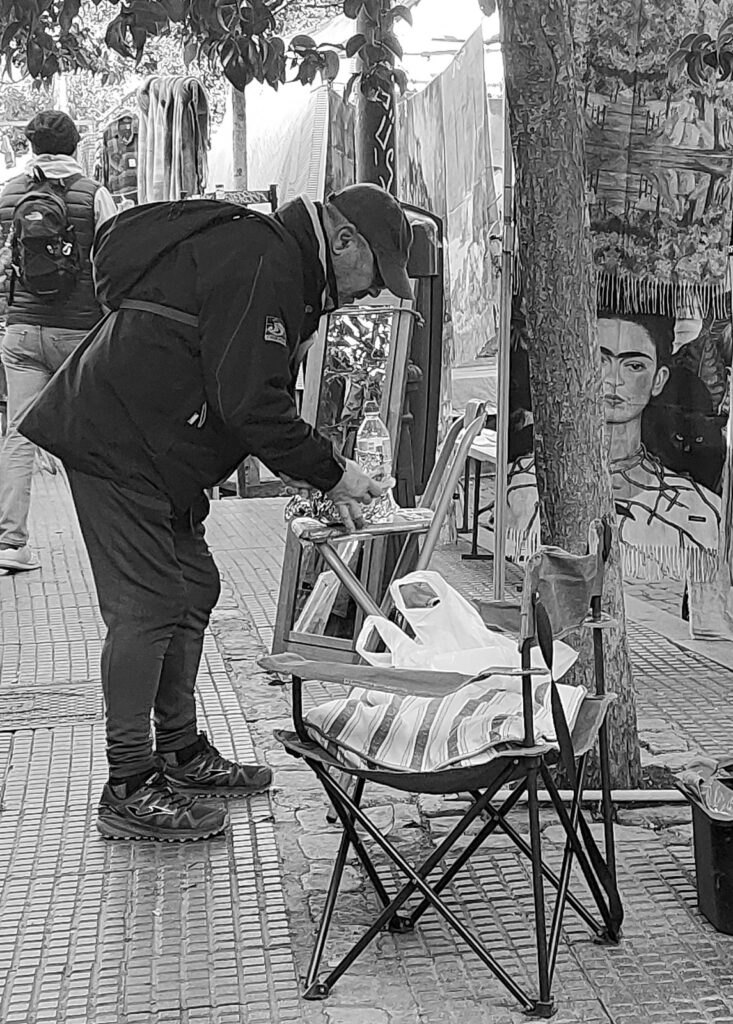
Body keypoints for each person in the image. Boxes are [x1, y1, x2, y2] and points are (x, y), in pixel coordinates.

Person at [17, 183, 414, 843]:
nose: (372, 291)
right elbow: (249, 402)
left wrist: (307, 472)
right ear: (342, 240)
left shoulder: (278, 261)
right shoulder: (264, 257)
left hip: (158, 450)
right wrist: (333, 471)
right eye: (376, 271)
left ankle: (178, 752)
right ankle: (128, 784)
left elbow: (236, 386)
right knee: (148, 605)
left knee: (193, 586)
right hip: (118, 444)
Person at [505, 313, 720, 585]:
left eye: (634, 365)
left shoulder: (697, 509)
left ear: (659, 379)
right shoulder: (523, 482)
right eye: (600, 359)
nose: (614, 379)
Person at [0, 110, 116, 575]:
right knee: (94, 434)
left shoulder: (8, 195)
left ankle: (10, 542)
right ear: (76, 144)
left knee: (19, 435)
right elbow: (113, 264)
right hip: (79, 335)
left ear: (30, 146)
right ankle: (112, 540)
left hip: (22, 332)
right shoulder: (93, 195)